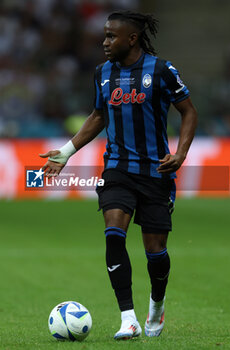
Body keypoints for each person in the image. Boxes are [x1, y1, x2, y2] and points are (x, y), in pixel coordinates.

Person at [40, 11, 198, 340]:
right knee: (114, 232)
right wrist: (67, 152)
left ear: (132, 38)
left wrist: (180, 154)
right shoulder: (103, 73)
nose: (104, 42)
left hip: (156, 171)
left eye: (111, 36)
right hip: (117, 168)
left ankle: (157, 303)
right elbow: (99, 115)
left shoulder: (161, 70)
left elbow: (188, 111)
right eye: (104, 35)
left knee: (155, 251)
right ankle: (128, 317)